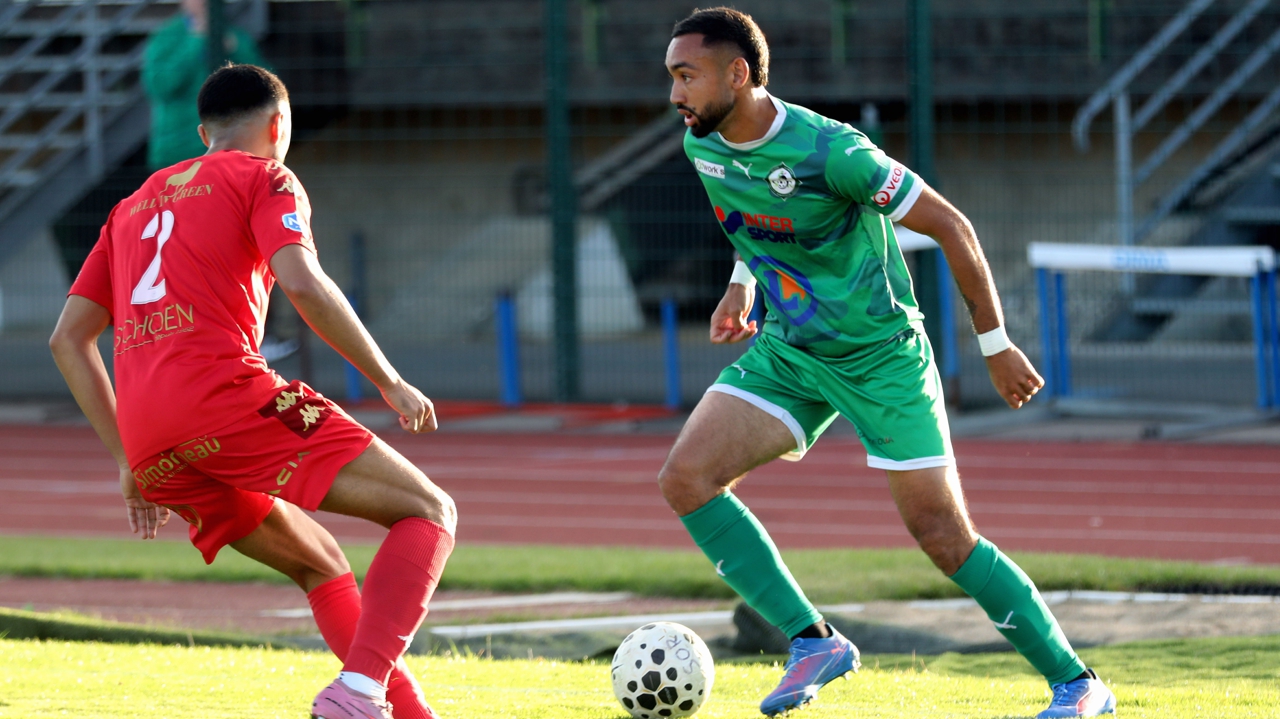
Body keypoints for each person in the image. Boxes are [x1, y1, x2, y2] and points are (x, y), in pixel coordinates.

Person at [658, 8, 1117, 719]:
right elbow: (754, 223)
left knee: (942, 535)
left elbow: (952, 227)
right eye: (671, 77)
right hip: (791, 351)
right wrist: (742, 284)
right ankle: (813, 642)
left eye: (686, 76)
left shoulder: (836, 153)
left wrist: (996, 346)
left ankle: (1079, 683)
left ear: (737, 74)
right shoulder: (703, 145)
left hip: (882, 360)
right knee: (686, 478)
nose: (674, 94)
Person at [49, 64, 453, 719]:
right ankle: (357, 693)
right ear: (278, 123)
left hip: (150, 440)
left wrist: (127, 458)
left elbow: (68, 339)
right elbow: (303, 282)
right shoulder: (266, 176)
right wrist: (390, 381)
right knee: (429, 512)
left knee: (320, 563)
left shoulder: (129, 207)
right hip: (227, 398)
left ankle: (397, 709)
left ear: (202, 133)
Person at [142, 0, 264, 171]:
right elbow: (159, 86)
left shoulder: (235, 37)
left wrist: (237, 49)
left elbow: (266, 88)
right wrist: (196, 40)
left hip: (228, 150)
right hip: (178, 150)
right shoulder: (166, 37)